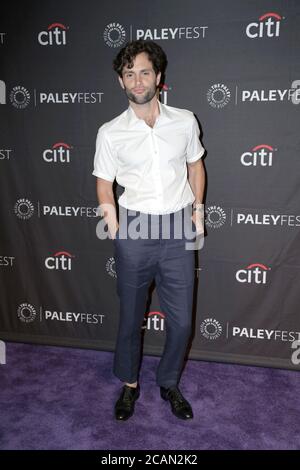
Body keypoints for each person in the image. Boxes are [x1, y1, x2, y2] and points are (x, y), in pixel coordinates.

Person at [93, 39, 205, 421]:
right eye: (129, 74)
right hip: (135, 227)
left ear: (158, 77)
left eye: (144, 71)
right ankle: (129, 385)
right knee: (130, 317)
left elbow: (196, 166)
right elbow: (104, 184)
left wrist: (198, 210)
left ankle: (169, 382)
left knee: (183, 321)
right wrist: (116, 228)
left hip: (178, 226)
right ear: (120, 82)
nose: (137, 80)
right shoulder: (110, 133)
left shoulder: (186, 121)